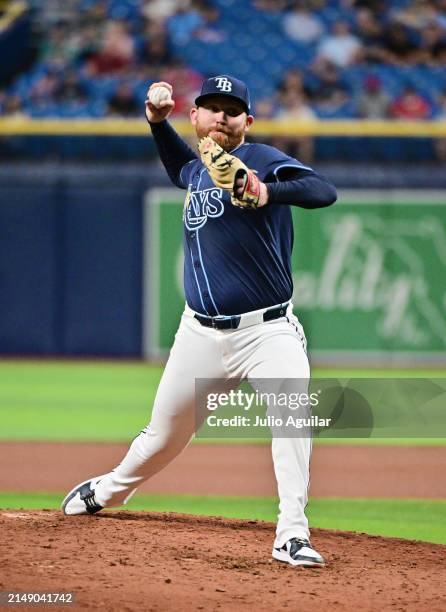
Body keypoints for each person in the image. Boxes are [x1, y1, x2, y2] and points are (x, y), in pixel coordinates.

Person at [61, 74, 337, 568]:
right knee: (162, 439)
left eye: (232, 110)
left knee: (291, 418)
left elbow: (322, 191)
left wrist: (268, 193)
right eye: (211, 107)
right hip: (198, 334)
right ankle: (108, 490)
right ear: (196, 117)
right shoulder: (195, 171)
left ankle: (292, 533)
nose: (222, 116)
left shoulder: (262, 160)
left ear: (247, 122)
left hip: (267, 330)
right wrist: (155, 123)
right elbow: (179, 168)